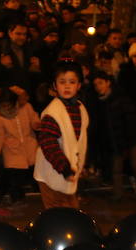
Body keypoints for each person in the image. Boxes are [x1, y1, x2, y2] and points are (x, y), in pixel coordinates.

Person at [34, 59, 88, 209]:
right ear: (55, 85)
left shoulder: (80, 108)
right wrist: (64, 168)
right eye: (62, 82)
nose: (67, 86)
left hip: (68, 171)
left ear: (78, 85)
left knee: (71, 211)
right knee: (59, 215)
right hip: (53, 171)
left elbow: (79, 141)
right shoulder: (53, 113)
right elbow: (48, 144)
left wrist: (79, 164)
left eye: (71, 82)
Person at [88, 70, 136, 202]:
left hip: (129, 139)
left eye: (100, 83)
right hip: (115, 141)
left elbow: (130, 121)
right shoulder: (99, 102)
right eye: (96, 84)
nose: (98, 87)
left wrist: (128, 140)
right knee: (116, 169)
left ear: (108, 83)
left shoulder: (120, 98)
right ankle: (118, 194)